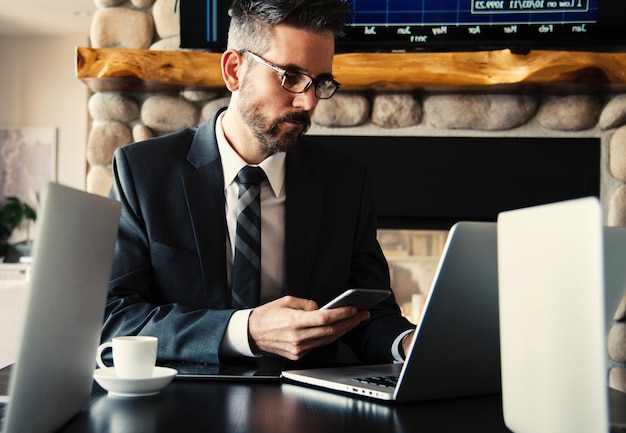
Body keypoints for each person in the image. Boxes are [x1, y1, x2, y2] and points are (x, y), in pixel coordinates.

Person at [102, 0, 415, 367]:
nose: (309, 101)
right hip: (183, 401)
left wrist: (409, 343)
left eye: (321, 82)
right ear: (234, 70)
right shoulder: (143, 173)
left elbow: (370, 314)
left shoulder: (346, 183)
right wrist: (245, 330)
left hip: (307, 408)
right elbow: (114, 317)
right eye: (290, 76)